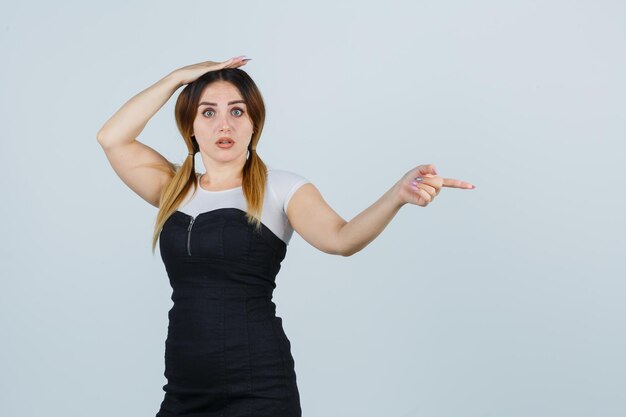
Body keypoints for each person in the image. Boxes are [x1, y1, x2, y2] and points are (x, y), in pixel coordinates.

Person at [96, 55, 475, 417]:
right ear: (190, 126)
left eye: (237, 111)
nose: (223, 125)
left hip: (257, 388)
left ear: (254, 123)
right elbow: (112, 137)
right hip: (183, 388)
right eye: (208, 112)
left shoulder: (280, 188)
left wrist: (397, 196)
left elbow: (341, 239)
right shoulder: (173, 189)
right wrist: (179, 77)